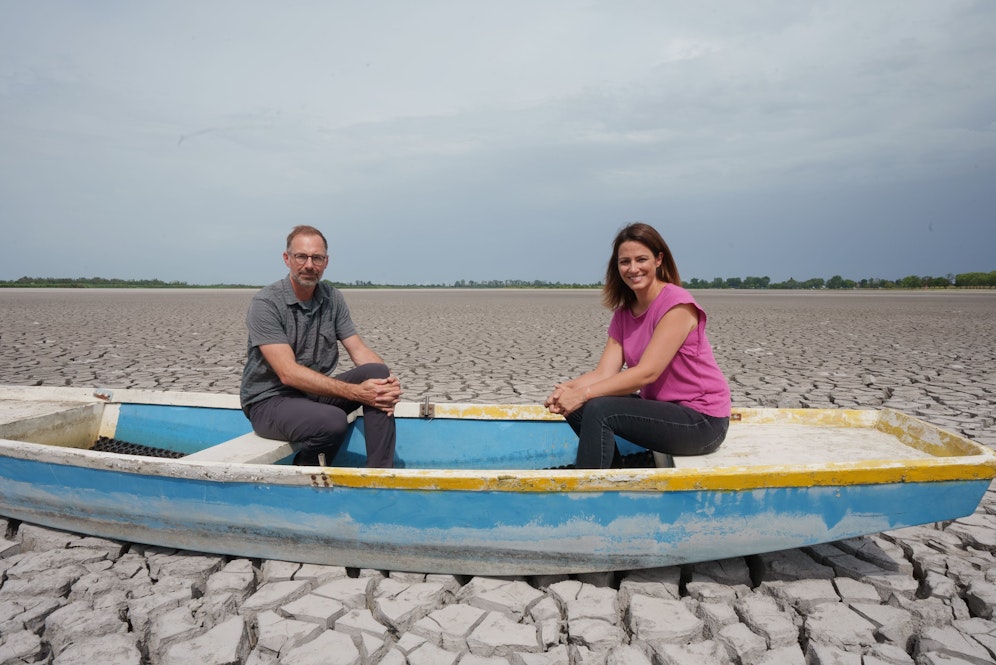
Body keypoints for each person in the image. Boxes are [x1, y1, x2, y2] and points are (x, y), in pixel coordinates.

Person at [545, 222, 730, 469]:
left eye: (641, 259)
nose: (633, 269)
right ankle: (609, 473)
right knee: (581, 407)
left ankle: (588, 487)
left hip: (702, 421)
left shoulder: (677, 305)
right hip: (664, 411)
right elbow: (604, 373)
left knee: (599, 407)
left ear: (658, 260)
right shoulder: (624, 313)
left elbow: (647, 373)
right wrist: (566, 390)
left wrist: (582, 393)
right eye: (625, 262)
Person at [240, 225, 402, 468]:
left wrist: (389, 383)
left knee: (377, 373)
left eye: (316, 258)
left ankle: (380, 474)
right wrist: (357, 393)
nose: (309, 265)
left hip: (312, 395)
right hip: (269, 402)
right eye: (301, 257)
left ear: (326, 262)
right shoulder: (266, 303)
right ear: (287, 259)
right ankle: (304, 471)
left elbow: (358, 350)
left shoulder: (332, 298)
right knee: (333, 421)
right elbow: (287, 373)